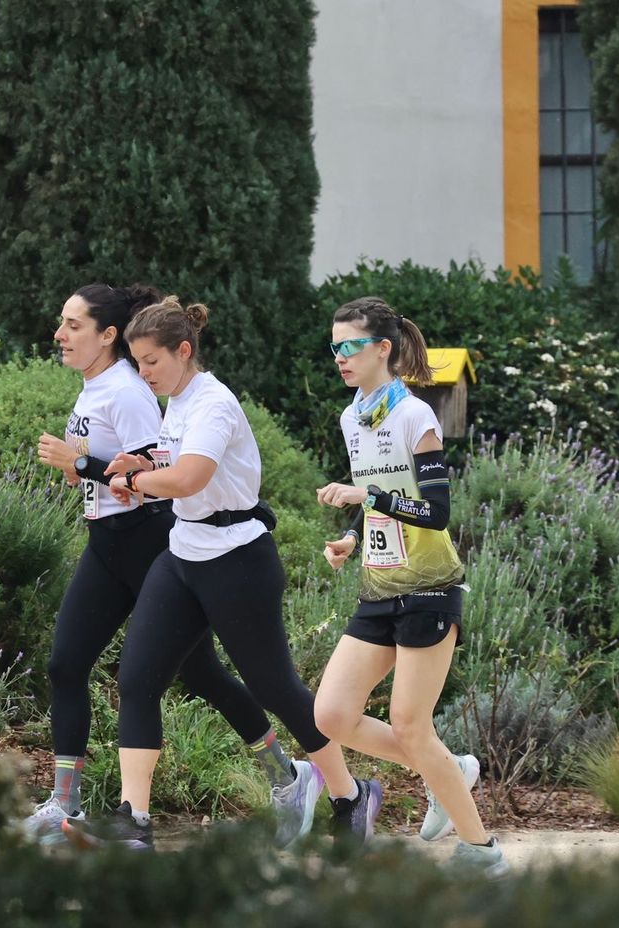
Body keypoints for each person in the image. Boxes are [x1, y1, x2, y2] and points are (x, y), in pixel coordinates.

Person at [63, 296, 374, 848]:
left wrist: (134, 482)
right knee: (137, 679)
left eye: (152, 361)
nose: (143, 373)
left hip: (238, 560)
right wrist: (144, 465)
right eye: (136, 362)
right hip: (184, 554)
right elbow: (174, 467)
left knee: (274, 686)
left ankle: (350, 795)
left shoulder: (213, 402)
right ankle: (132, 820)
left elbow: (189, 479)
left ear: (184, 351)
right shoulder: (175, 400)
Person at [310, 297, 508, 874]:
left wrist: (364, 497)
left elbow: (436, 512)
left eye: (350, 346)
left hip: (428, 590)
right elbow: (383, 496)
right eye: (334, 347)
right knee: (331, 715)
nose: (340, 357)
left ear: (382, 349)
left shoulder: (415, 416)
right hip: (379, 587)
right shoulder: (353, 416)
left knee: (409, 727)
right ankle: (450, 768)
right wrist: (355, 534)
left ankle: (481, 853)